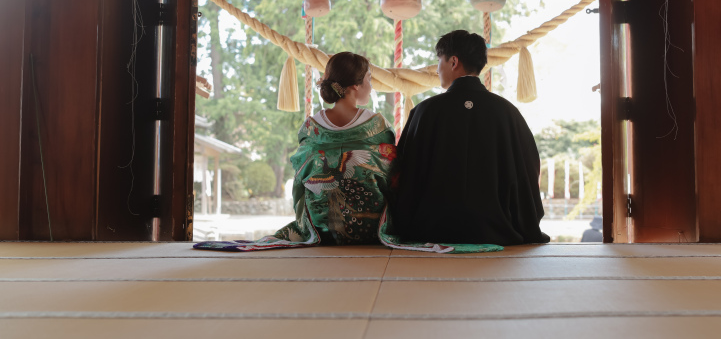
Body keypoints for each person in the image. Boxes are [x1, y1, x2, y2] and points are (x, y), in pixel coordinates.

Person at [194, 52, 396, 252]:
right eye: (369, 79)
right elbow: (392, 173)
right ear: (355, 85)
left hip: (320, 227)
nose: (371, 86)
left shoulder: (311, 126)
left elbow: (301, 178)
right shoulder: (377, 125)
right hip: (371, 228)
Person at [388, 30, 550, 246]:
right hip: (499, 230)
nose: (437, 69)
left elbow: (404, 172)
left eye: (439, 61)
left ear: (453, 61)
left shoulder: (425, 112)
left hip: (431, 230)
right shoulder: (508, 113)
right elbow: (528, 169)